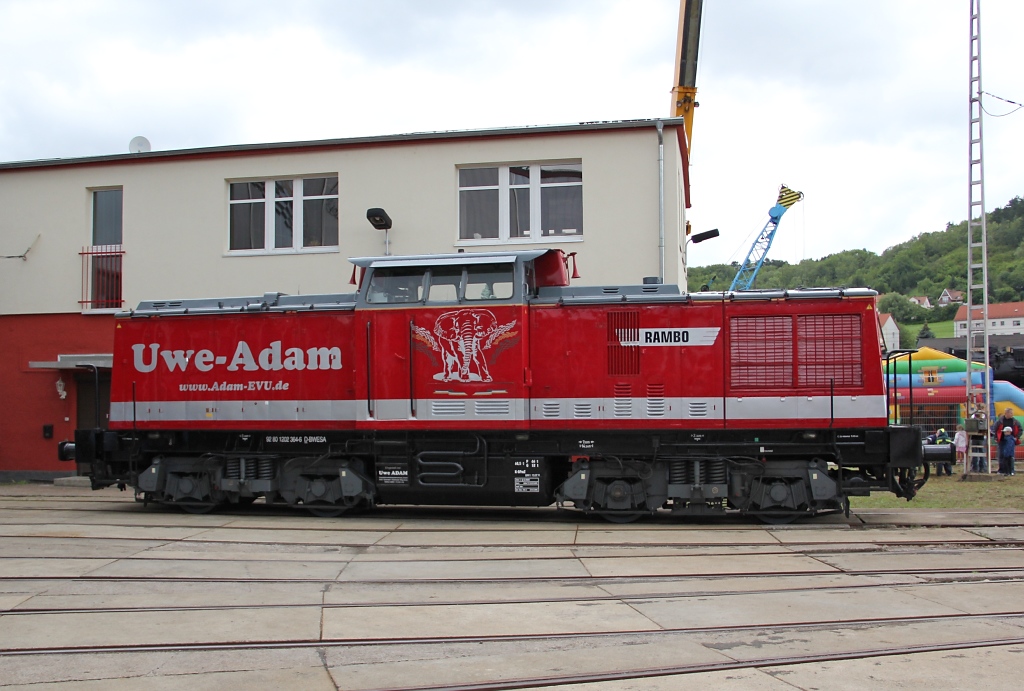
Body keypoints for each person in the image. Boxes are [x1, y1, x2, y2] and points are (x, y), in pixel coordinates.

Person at [995, 408, 1021, 476]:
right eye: (1011, 413)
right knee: (1001, 455)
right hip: (1002, 440)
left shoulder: (1015, 421)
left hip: (1011, 441)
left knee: (1010, 456)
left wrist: (1016, 437)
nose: (1012, 414)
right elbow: (995, 429)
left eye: (1012, 413)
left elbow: (1020, 429)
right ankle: (1002, 470)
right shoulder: (1000, 421)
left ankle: (1011, 470)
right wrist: (996, 437)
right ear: (1006, 413)